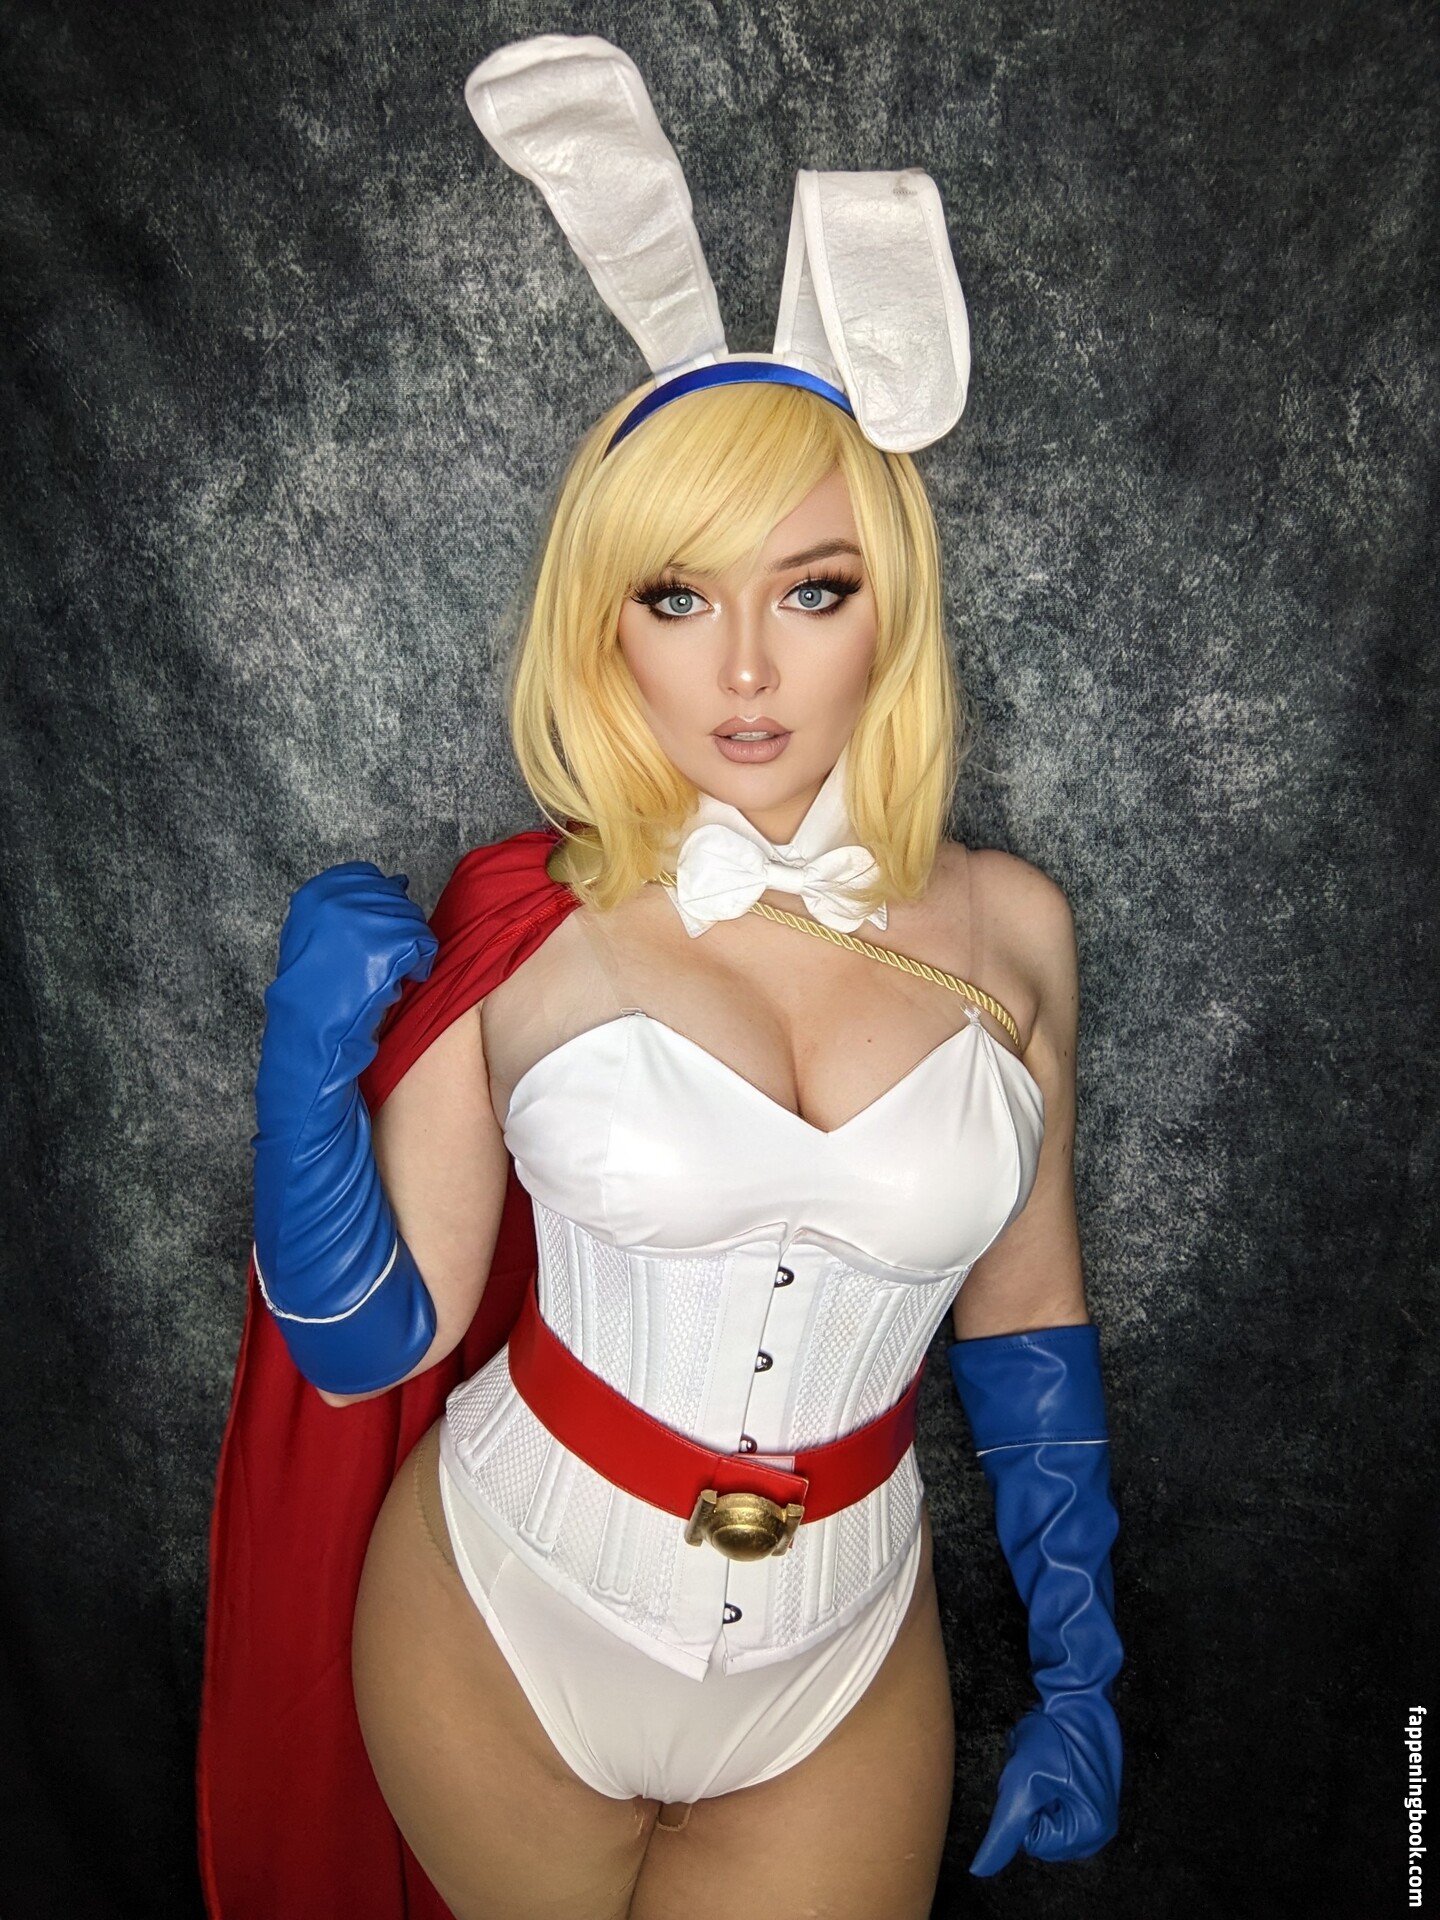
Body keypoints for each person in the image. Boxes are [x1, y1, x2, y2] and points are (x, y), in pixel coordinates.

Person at [205, 35, 1123, 1920]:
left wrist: (1086, 1669)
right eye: (679, 597)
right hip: (499, 1619)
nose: (749, 674)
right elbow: (374, 1345)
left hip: (841, 1670)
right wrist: (304, 1084)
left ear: (890, 603)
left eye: (814, 589)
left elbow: (1028, 1323)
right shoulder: (528, 922)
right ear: (605, 622)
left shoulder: (1017, 930)